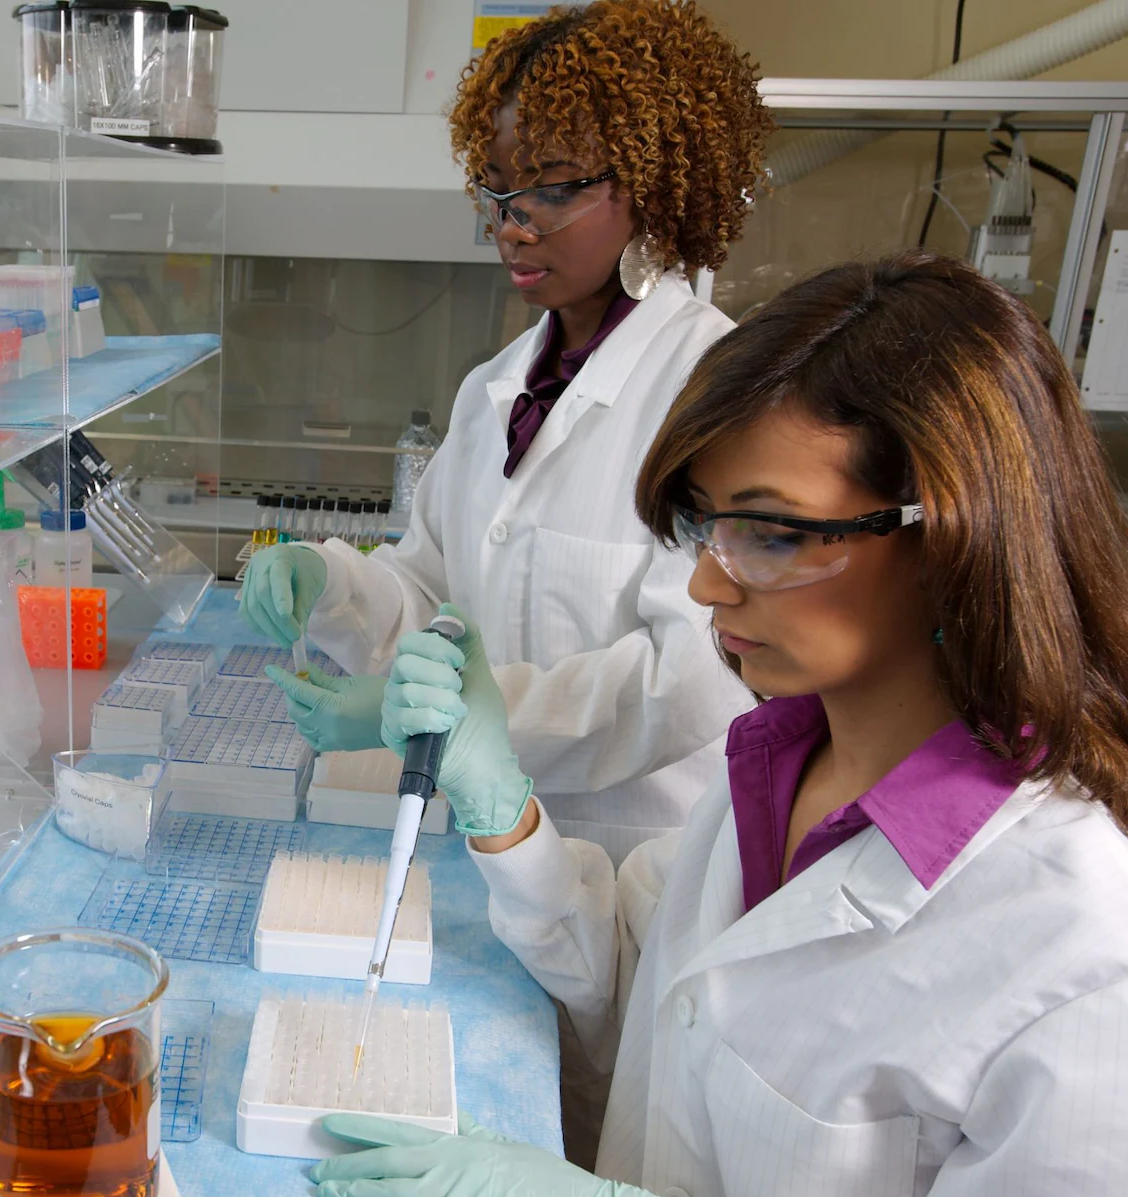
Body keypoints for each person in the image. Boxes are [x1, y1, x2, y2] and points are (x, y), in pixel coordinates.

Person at [306, 253, 1128, 1197]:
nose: (708, 584)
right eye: (704, 527)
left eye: (774, 534)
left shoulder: (1113, 970)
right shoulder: (782, 765)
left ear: (955, 537)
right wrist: (501, 810)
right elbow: (658, 997)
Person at [241, 0, 770, 864]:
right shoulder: (497, 385)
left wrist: (465, 718)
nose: (514, 224)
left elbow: (694, 679)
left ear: (651, 185)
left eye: (555, 188)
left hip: (639, 858)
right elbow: (433, 594)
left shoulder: (717, 393)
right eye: (497, 189)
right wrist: (330, 584)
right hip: (487, 847)